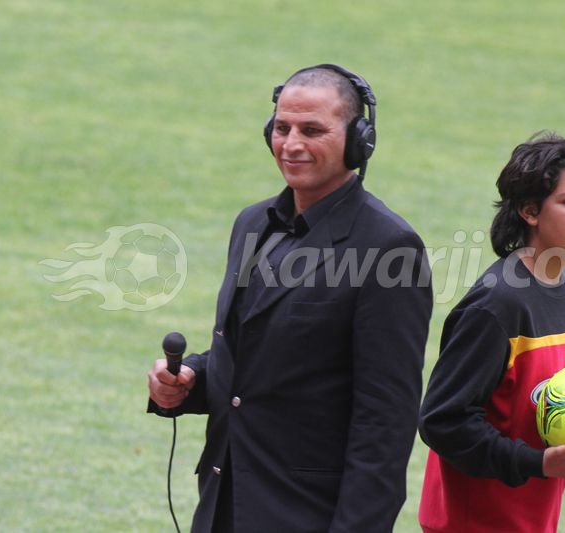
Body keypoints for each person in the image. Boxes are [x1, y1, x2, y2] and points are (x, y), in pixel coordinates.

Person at [148, 64, 433, 533]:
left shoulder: (388, 247)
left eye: (312, 130)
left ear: (360, 140)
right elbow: (248, 358)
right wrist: (189, 381)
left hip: (308, 516)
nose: (291, 144)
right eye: (282, 128)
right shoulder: (252, 224)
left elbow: (385, 425)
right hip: (223, 507)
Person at [417, 132, 565, 533]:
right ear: (530, 211)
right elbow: (443, 420)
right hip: (473, 525)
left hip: (530, 520)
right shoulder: (497, 305)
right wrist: (539, 464)